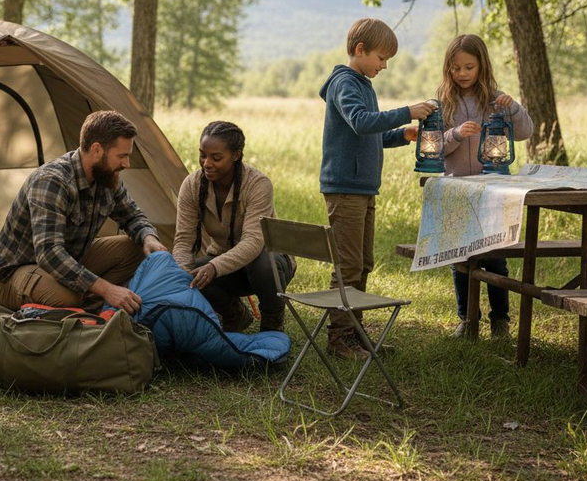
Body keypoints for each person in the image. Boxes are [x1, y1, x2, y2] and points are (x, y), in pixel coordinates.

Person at [319, 18, 436, 359]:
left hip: (364, 188)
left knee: (364, 263)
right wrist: (406, 112)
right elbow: (360, 121)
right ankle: (338, 338)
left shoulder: (363, 83)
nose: (384, 66)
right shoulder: (345, 83)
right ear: (360, 50)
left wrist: (402, 134)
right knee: (348, 264)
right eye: (381, 58)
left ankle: (354, 334)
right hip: (345, 189)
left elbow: (369, 133)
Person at [0, 110, 168, 314]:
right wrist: (106, 289)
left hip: (70, 259)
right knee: (67, 298)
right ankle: (87, 301)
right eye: (122, 156)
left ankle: (88, 300)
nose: (126, 164)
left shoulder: (108, 177)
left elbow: (132, 216)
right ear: (96, 150)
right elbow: (49, 253)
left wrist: (149, 238)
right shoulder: (52, 181)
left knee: (138, 246)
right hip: (15, 273)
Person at [438, 34, 533, 339]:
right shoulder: (443, 102)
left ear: (482, 66)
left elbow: (524, 132)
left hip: (492, 191)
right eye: (456, 69)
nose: (462, 74)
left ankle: (500, 321)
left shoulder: (496, 99)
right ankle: (467, 320)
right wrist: (455, 134)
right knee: (461, 259)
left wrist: (513, 108)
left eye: (469, 67)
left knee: (494, 258)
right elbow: (434, 149)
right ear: (448, 70)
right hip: (458, 191)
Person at [173, 121, 296, 332]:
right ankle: (234, 315)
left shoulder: (257, 184)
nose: (206, 163)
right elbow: (184, 240)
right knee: (193, 275)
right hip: (225, 262)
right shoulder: (192, 185)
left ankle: (272, 325)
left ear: (236, 155)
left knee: (265, 266)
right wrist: (181, 278)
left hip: (267, 262)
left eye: (216, 158)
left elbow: (254, 241)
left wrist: (215, 267)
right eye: (203, 155)